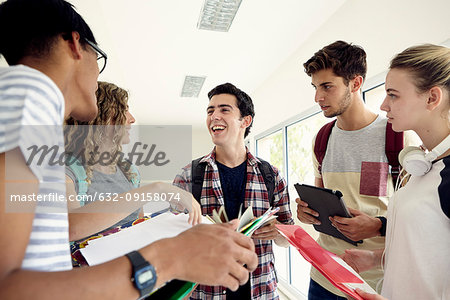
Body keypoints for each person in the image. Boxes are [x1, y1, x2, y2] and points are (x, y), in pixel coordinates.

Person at [0, 1, 257, 298]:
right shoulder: (29, 96)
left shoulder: (30, 111)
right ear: (74, 45)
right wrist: (172, 256)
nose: (97, 76)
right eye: (98, 58)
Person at [296, 40, 414, 299]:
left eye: (327, 86)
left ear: (356, 83)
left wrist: (377, 225)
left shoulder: (397, 136)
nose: (318, 97)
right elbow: (321, 200)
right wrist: (308, 213)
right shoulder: (322, 139)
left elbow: (417, 220)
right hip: (323, 277)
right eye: (315, 87)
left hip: (375, 282)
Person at [342, 44, 450, 300]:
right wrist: (377, 258)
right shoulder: (424, 166)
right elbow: (430, 249)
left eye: (393, 95)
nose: (383, 105)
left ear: (432, 98)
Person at [173, 82, 294, 300]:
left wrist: (280, 232)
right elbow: (171, 240)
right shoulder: (188, 175)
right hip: (206, 293)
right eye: (210, 111)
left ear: (245, 121)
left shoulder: (271, 175)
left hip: (261, 291)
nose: (214, 116)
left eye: (224, 109)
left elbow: (288, 239)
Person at [65, 81, 202, 264]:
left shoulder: (129, 170)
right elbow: (71, 226)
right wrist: (157, 189)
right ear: (104, 117)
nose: (132, 119)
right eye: (125, 110)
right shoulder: (67, 169)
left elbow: (137, 226)